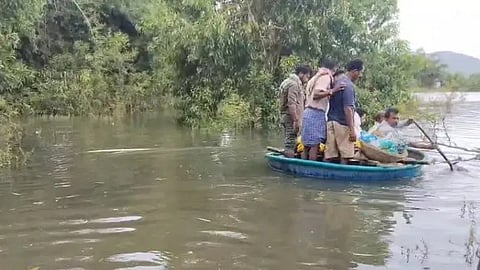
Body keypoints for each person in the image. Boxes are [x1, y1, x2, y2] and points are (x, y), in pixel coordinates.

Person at [301, 59, 345, 161]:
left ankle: (303, 167)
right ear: (334, 69)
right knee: (314, 145)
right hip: (315, 113)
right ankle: (311, 169)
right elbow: (316, 95)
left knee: (306, 144)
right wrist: (332, 91)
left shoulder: (316, 77)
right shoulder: (325, 77)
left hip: (309, 112)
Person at [325, 59, 364, 164]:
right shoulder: (349, 85)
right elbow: (348, 108)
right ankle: (342, 178)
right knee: (345, 155)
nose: (360, 76)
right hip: (342, 124)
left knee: (330, 154)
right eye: (361, 73)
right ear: (355, 71)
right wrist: (352, 130)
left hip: (331, 121)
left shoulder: (337, 81)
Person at [280, 64, 312, 158]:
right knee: (290, 142)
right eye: (307, 76)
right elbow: (291, 104)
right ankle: (289, 165)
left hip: (288, 116)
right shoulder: (294, 84)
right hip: (290, 117)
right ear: (301, 74)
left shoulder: (290, 82)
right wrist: (295, 120)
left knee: (291, 140)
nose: (307, 78)